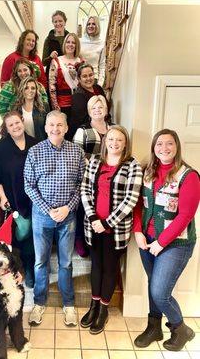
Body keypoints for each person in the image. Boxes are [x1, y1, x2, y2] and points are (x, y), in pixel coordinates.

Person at [133, 129, 199, 351]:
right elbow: (139, 204)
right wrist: (138, 232)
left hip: (175, 244)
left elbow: (185, 215)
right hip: (147, 240)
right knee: (153, 285)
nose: (164, 148)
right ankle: (154, 328)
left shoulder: (188, 176)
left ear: (177, 146)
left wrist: (161, 242)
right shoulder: (147, 172)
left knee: (160, 292)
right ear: (153, 148)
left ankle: (182, 330)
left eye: (169, 144)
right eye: (159, 144)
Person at [24, 110, 85, 327]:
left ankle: (68, 304)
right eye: (51, 125)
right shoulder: (34, 152)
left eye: (60, 125)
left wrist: (68, 208)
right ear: (45, 127)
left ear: (67, 128)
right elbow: (28, 186)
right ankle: (39, 303)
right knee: (41, 262)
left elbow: (81, 184)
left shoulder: (77, 152)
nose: (55, 129)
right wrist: (48, 209)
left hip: (67, 217)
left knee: (66, 262)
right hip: (42, 217)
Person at [80, 125, 142, 334]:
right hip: (93, 226)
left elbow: (131, 199)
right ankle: (93, 305)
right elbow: (85, 189)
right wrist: (92, 217)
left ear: (125, 144)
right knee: (96, 266)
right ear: (105, 141)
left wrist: (106, 223)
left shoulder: (132, 165)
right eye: (111, 139)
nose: (114, 143)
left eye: (119, 140)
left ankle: (103, 309)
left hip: (116, 229)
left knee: (109, 268)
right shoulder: (95, 161)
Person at [0, 111, 37, 287]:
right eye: (11, 125)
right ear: (7, 129)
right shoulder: (0, 148)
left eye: (17, 122)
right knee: (20, 235)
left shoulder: (35, 143)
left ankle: (31, 270)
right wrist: (2, 197)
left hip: (36, 201)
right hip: (14, 201)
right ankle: (20, 269)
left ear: (22, 122)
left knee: (33, 236)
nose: (15, 127)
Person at [72, 95, 112, 257]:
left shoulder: (113, 128)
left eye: (100, 107)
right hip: (88, 176)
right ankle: (80, 240)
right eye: (94, 108)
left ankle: (97, 238)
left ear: (106, 110)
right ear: (89, 111)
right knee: (84, 208)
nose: (97, 110)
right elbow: (77, 154)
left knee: (101, 208)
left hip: (108, 177)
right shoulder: (83, 130)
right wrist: (93, 167)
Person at [48, 33, 83, 118]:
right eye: (68, 42)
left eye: (73, 43)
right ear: (64, 44)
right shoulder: (56, 61)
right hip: (63, 104)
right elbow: (51, 85)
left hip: (79, 102)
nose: (70, 45)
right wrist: (55, 105)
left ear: (76, 45)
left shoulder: (81, 61)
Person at [68, 63, 106, 139]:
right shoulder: (78, 96)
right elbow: (83, 120)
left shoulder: (98, 88)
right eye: (84, 76)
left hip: (100, 125)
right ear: (79, 79)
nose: (88, 78)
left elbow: (106, 107)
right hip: (85, 132)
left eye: (90, 75)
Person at [13, 76, 49, 141]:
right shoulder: (15, 108)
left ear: (36, 91)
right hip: (23, 146)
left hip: (40, 145)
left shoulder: (44, 106)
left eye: (33, 88)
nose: (30, 91)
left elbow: (49, 128)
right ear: (22, 90)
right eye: (26, 88)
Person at [42, 10, 69, 77]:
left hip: (67, 74)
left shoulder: (70, 38)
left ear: (65, 22)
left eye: (60, 21)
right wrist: (50, 57)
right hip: (52, 75)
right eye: (55, 21)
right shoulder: (48, 39)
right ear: (53, 23)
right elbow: (43, 62)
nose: (58, 24)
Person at [80, 16, 106, 86]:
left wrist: (100, 84)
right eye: (88, 24)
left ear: (97, 26)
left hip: (93, 80)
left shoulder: (102, 43)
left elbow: (102, 65)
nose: (90, 26)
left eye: (93, 24)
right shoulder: (80, 41)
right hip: (80, 79)